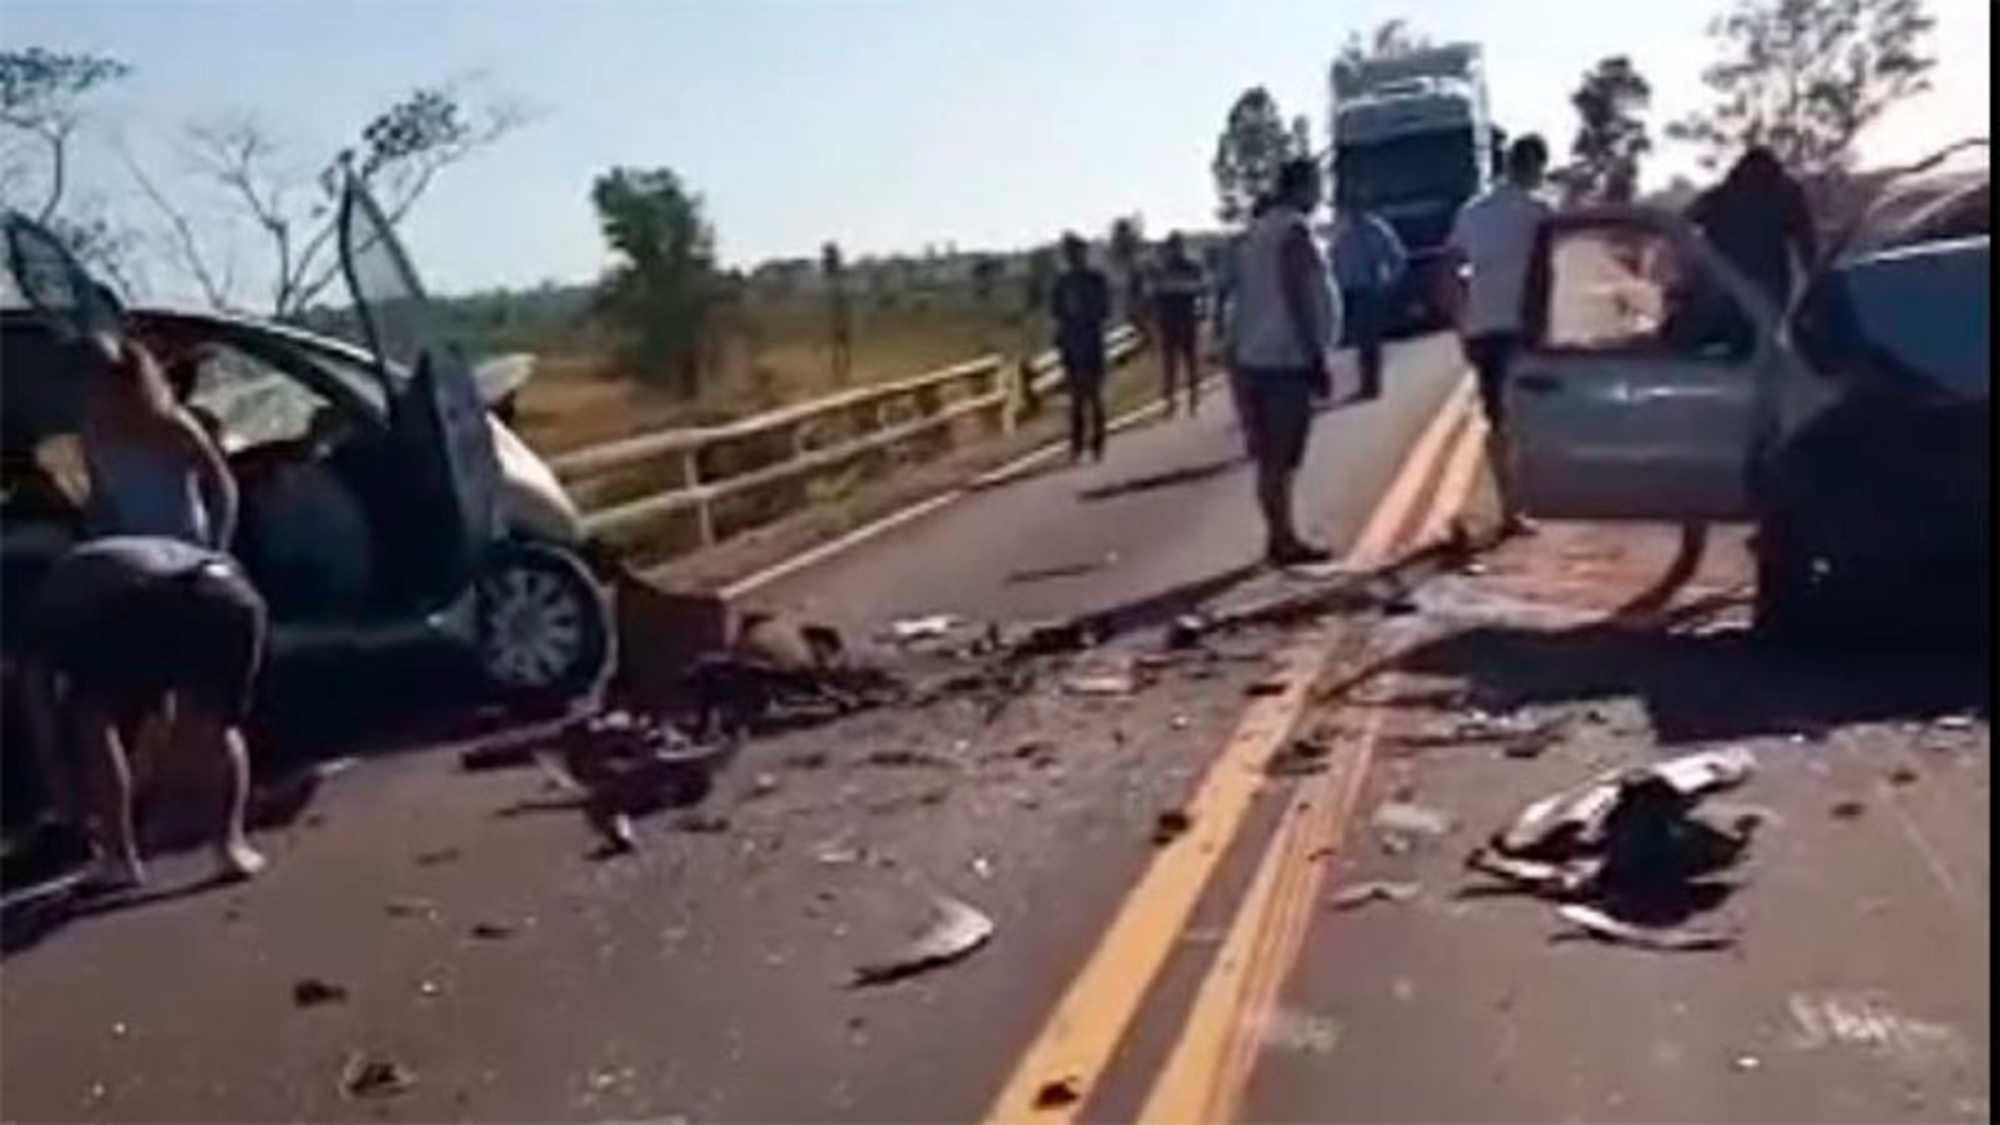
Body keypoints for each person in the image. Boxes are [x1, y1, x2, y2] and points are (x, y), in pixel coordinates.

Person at [19, 338, 265, 889]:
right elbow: (105, 502)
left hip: (175, 565)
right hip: (148, 575)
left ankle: (162, 846)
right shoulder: (96, 438)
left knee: (140, 713)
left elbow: (220, 484)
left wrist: (218, 544)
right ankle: (199, 844)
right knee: (182, 715)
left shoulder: (170, 426)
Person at [1231, 158, 1342, 566]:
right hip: (1285, 357)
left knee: (1269, 457)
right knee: (1284, 455)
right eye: (1315, 186)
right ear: (1302, 187)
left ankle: (1278, 535)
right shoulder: (1293, 231)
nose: (1320, 195)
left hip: (1254, 355)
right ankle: (1285, 539)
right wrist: (1315, 355)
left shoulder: (1257, 232)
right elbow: (1297, 293)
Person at [1447, 134, 1554, 535]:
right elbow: (1549, 272)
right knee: (1529, 419)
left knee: (1498, 421)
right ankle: (1525, 504)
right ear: (1535, 167)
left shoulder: (1472, 212)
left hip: (1483, 328)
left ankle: (1510, 506)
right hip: (1524, 328)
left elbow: (1448, 269)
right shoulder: (1540, 211)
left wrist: (1461, 322)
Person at [1687, 145, 1819, 311]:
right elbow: (1806, 242)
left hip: (1727, 284)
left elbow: (1685, 223)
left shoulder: (1720, 195)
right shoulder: (1787, 194)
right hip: (1763, 285)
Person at [1329, 203, 1409, 402]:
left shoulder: (1375, 228)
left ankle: (1371, 385)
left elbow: (1397, 255)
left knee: (1369, 339)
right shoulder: (1339, 231)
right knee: (1358, 339)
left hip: (1369, 288)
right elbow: (1332, 260)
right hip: (1347, 291)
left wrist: (1390, 282)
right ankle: (1366, 382)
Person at [1049, 232, 1113, 462]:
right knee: (1076, 398)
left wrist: (1085, 312)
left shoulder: (1096, 279)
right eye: (1070, 253)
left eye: (1076, 252)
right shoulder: (1062, 282)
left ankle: (1098, 442)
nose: (1074, 257)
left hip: (1092, 340)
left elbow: (1105, 309)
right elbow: (1055, 312)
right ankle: (1076, 444)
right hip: (1071, 343)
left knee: (1094, 395)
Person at [1150, 231, 1207, 416]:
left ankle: (1194, 398)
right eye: (1172, 246)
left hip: (1186, 317)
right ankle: (1170, 401)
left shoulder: (1191, 267)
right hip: (1169, 320)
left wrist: (1202, 310)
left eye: (1177, 246)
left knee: (1190, 361)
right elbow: (1155, 295)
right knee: (1170, 364)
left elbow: (1202, 290)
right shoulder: (1162, 269)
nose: (1175, 250)